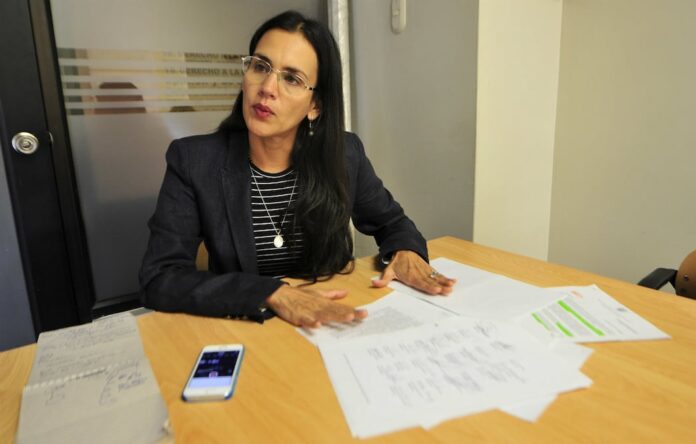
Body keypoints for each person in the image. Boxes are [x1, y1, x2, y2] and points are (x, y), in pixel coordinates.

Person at [139, 10, 454, 328]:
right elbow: (160, 278)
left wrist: (405, 251)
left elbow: (393, 223)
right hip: (251, 327)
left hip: (329, 322)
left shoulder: (344, 154)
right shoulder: (194, 160)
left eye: (291, 78)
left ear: (315, 105)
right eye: (260, 67)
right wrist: (270, 293)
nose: (267, 87)